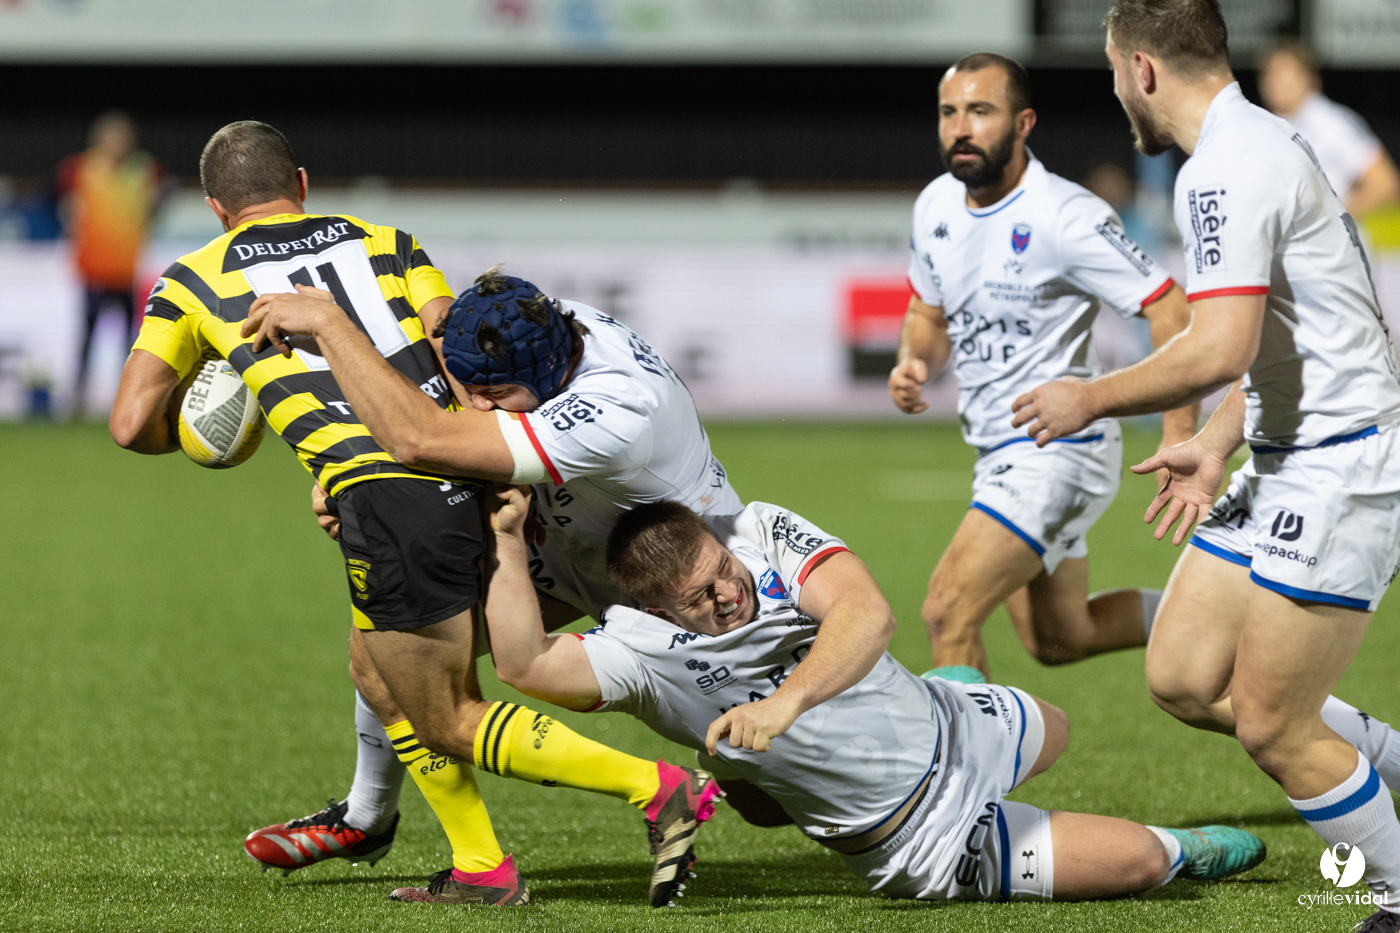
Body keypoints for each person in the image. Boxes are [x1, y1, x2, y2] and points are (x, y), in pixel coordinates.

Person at [109, 121, 717, 908]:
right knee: (374, 666)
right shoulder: (385, 239)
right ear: (300, 183)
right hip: (453, 463)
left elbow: (130, 424)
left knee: (448, 715)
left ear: (215, 208)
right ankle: (473, 865)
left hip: (386, 495)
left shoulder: (191, 280)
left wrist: (211, 435)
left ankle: (659, 788)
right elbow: (450, 340)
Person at [1011, 3, 1400, 928]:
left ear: (1142, 70)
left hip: (1341, 466)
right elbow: (1278, 339)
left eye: (1112, 74)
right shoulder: (1256, 143)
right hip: (1278, 455)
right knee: (1184, 673)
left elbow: (1219, 342)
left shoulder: (1227, 167)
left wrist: (1091, 395)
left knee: (1273, 723)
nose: (1116, 96)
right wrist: (1218, 438)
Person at [475, 484, 1266, 901]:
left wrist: (783, 707)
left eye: (722, 571)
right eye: (697, 598)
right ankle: (1178, 848)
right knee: (1134, 861)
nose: (725, 595)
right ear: (656, 610)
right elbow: (525, 663)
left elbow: (867, 613)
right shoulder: (639, 651)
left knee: (1056, 725)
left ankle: (925, 698)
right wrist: (508, 540)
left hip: (951, 721)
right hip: (924, 836)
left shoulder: (761, 529)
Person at [235, 264, 740, 901]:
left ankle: (672, 787)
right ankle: (396, 830)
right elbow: (450, 375)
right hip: (573, 554)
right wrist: (366, 483)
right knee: (385, 652)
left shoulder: (618, 407)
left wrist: (334, 333)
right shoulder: (541, 333)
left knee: (772, 786)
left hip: (685, 595)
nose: (477, 403)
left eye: (495, 393)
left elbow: (424, 438)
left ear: (548, 375)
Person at [888, 52, 1198, 683]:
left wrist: (1179, 437)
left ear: (1023, 123)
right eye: (949, 112)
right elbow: (928, 311)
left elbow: (1172, 311)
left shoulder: (1067, 217)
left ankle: (967, 782)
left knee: (949, 611)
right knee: (1060, 636)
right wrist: (913, 360)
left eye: (981, 111)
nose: (961, 128)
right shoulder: (935, 207)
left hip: (1059, 448)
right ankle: (1215, 619)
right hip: (998, 450)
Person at [56, 110, 168, 417]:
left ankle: (128, 402)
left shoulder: (145, 169)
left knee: (129, 344)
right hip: (92, 270)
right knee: (87, 338)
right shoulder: (81, 168)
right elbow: (60, 203)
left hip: (126, 271)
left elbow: (158, 203)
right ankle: (77, 402)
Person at [1258, 41, 1400, 219]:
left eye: (1286, 73)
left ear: (1311, 78)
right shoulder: (1265, 125)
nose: (1276, 82)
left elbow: (1385, 183)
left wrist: (1334, 218)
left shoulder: (1332, 122)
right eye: (1270, 74)